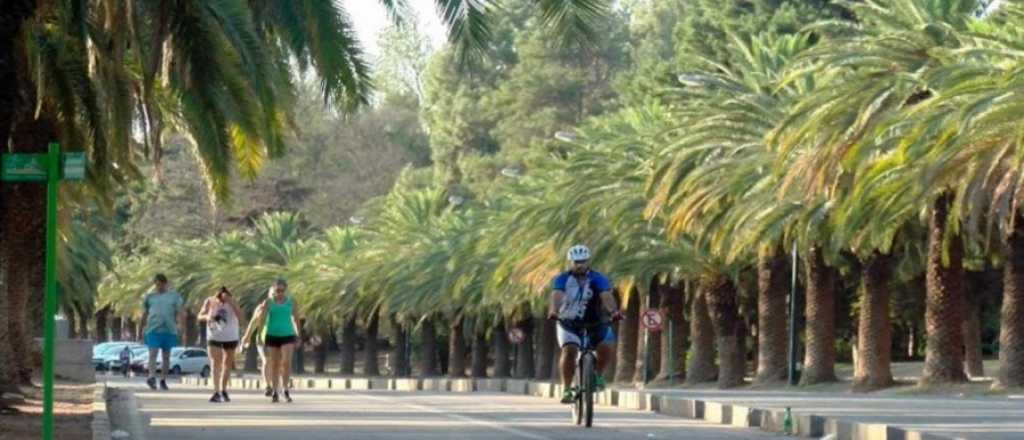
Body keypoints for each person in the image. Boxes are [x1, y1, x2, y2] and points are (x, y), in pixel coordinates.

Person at [547, 245, 623, 404]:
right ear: (570, 262)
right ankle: (567, 389)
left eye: (582, 261)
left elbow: (605, 295)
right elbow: (557, 294)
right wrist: (554, 311)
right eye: (576, 262)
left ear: (588, 261)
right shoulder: (562, 278)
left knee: (607, 345)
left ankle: (598, 376)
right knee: (569, 350)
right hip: (568, 323)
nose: (579, 264)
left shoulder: (598, 278)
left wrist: (613, 312)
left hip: (596, 321)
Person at [243, 278, 301, 403]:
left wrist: (298, 334)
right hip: (272, 335)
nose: (279, 292)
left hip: (287, 335)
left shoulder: (292, 302)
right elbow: (261, 320)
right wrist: (258, 336)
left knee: (286, 362)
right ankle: (275, 390)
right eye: (277, 290)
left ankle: (285, 388)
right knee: (274, 364)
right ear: (273, 290)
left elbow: (296, 319)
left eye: (282, 290)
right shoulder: (267, 302)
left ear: (285, 290)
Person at [198, 286, 244, 403]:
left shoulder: (233, 302)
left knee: (227, 364)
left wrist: (232, 304)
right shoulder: (210, 301)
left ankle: (223, 389)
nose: (222, 299)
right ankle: (216, 392)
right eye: (219, 296)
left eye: (225, 296)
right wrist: (207, 316)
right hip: (214, 336)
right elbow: (200, 315)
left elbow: (241, 319)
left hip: (230, 337)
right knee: (215, 363)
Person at [140, 273, 185, 391]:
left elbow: (180, 311)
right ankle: (152, 377)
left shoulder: (174, 296)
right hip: (153, 329)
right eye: (156, 284)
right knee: (153, 353)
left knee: (166, 356)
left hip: (169, 329)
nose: (158, 287)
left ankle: (163, 379)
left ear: (166, 284)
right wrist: (141, 328)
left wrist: (181, 326)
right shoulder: (149, 297)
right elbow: (144, 314)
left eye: (161, 284)